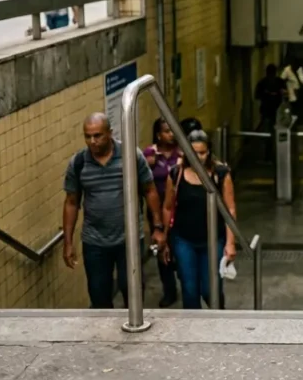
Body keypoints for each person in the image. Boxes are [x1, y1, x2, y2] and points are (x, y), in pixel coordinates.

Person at [62, 113, 167, 309]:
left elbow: (150, 190)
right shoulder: (79, 163)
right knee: (99, 295)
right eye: (87, 136)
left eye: (97, 135)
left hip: (129, 238)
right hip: (95, 241)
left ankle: (134, 326)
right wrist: (68, 242)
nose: (92, 141)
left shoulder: (131, 156)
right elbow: (71, 202)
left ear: (110, 133)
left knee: (132, 291)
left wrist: (158, 227)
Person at [162, 129, 237, 309]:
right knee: (189, 290)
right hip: (184, 240)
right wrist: (165, 239)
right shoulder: (176, 174)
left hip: (213, 239)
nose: (198, 158)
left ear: (209, 151)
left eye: (202, 153)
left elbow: (230, 209)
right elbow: (168, 207)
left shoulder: (220, 174)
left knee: (210, 290)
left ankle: (218, 319)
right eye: (194, 153)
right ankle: (193, 325)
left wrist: (230, 243)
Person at [143, 118, 181, 307]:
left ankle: (185, 279)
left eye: (173, 130)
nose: (171, 134)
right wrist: (148, 164)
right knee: (162, 246)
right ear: (158, 135)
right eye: (166, 131)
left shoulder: (181, 153)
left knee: (179, 246)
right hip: (157, 210)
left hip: (179, 209)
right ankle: (169, 290)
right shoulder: (149, 154)